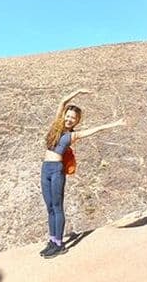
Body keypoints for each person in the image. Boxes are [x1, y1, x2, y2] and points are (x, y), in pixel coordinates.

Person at [39, 89, 126, 259]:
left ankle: (59, 243)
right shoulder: (55, 126)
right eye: (68, 115)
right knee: (49, 207)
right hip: (45, 170)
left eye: (74, 118)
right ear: (64, 115)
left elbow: (96, 130)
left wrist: (115, 123)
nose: (70, 119)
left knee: (57, 207)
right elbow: (63, 101)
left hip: (57, 170)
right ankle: (51, 240)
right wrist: (78, 91)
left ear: (77, 121)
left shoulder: (73, 135)